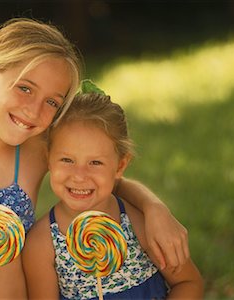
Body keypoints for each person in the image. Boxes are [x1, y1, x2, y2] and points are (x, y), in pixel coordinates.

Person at [0, 18, 189, 299]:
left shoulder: (35, 149)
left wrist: (155, 209)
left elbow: (99, 178)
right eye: (25, 88)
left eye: (52, 102)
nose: (34, 111)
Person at [22, 85, 204, 299]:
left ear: (120, 166)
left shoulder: (138, 224)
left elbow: (189, 283)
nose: (79, 175)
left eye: (95, 162)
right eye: (67, 160)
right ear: (48, 158)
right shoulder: (42, 244)